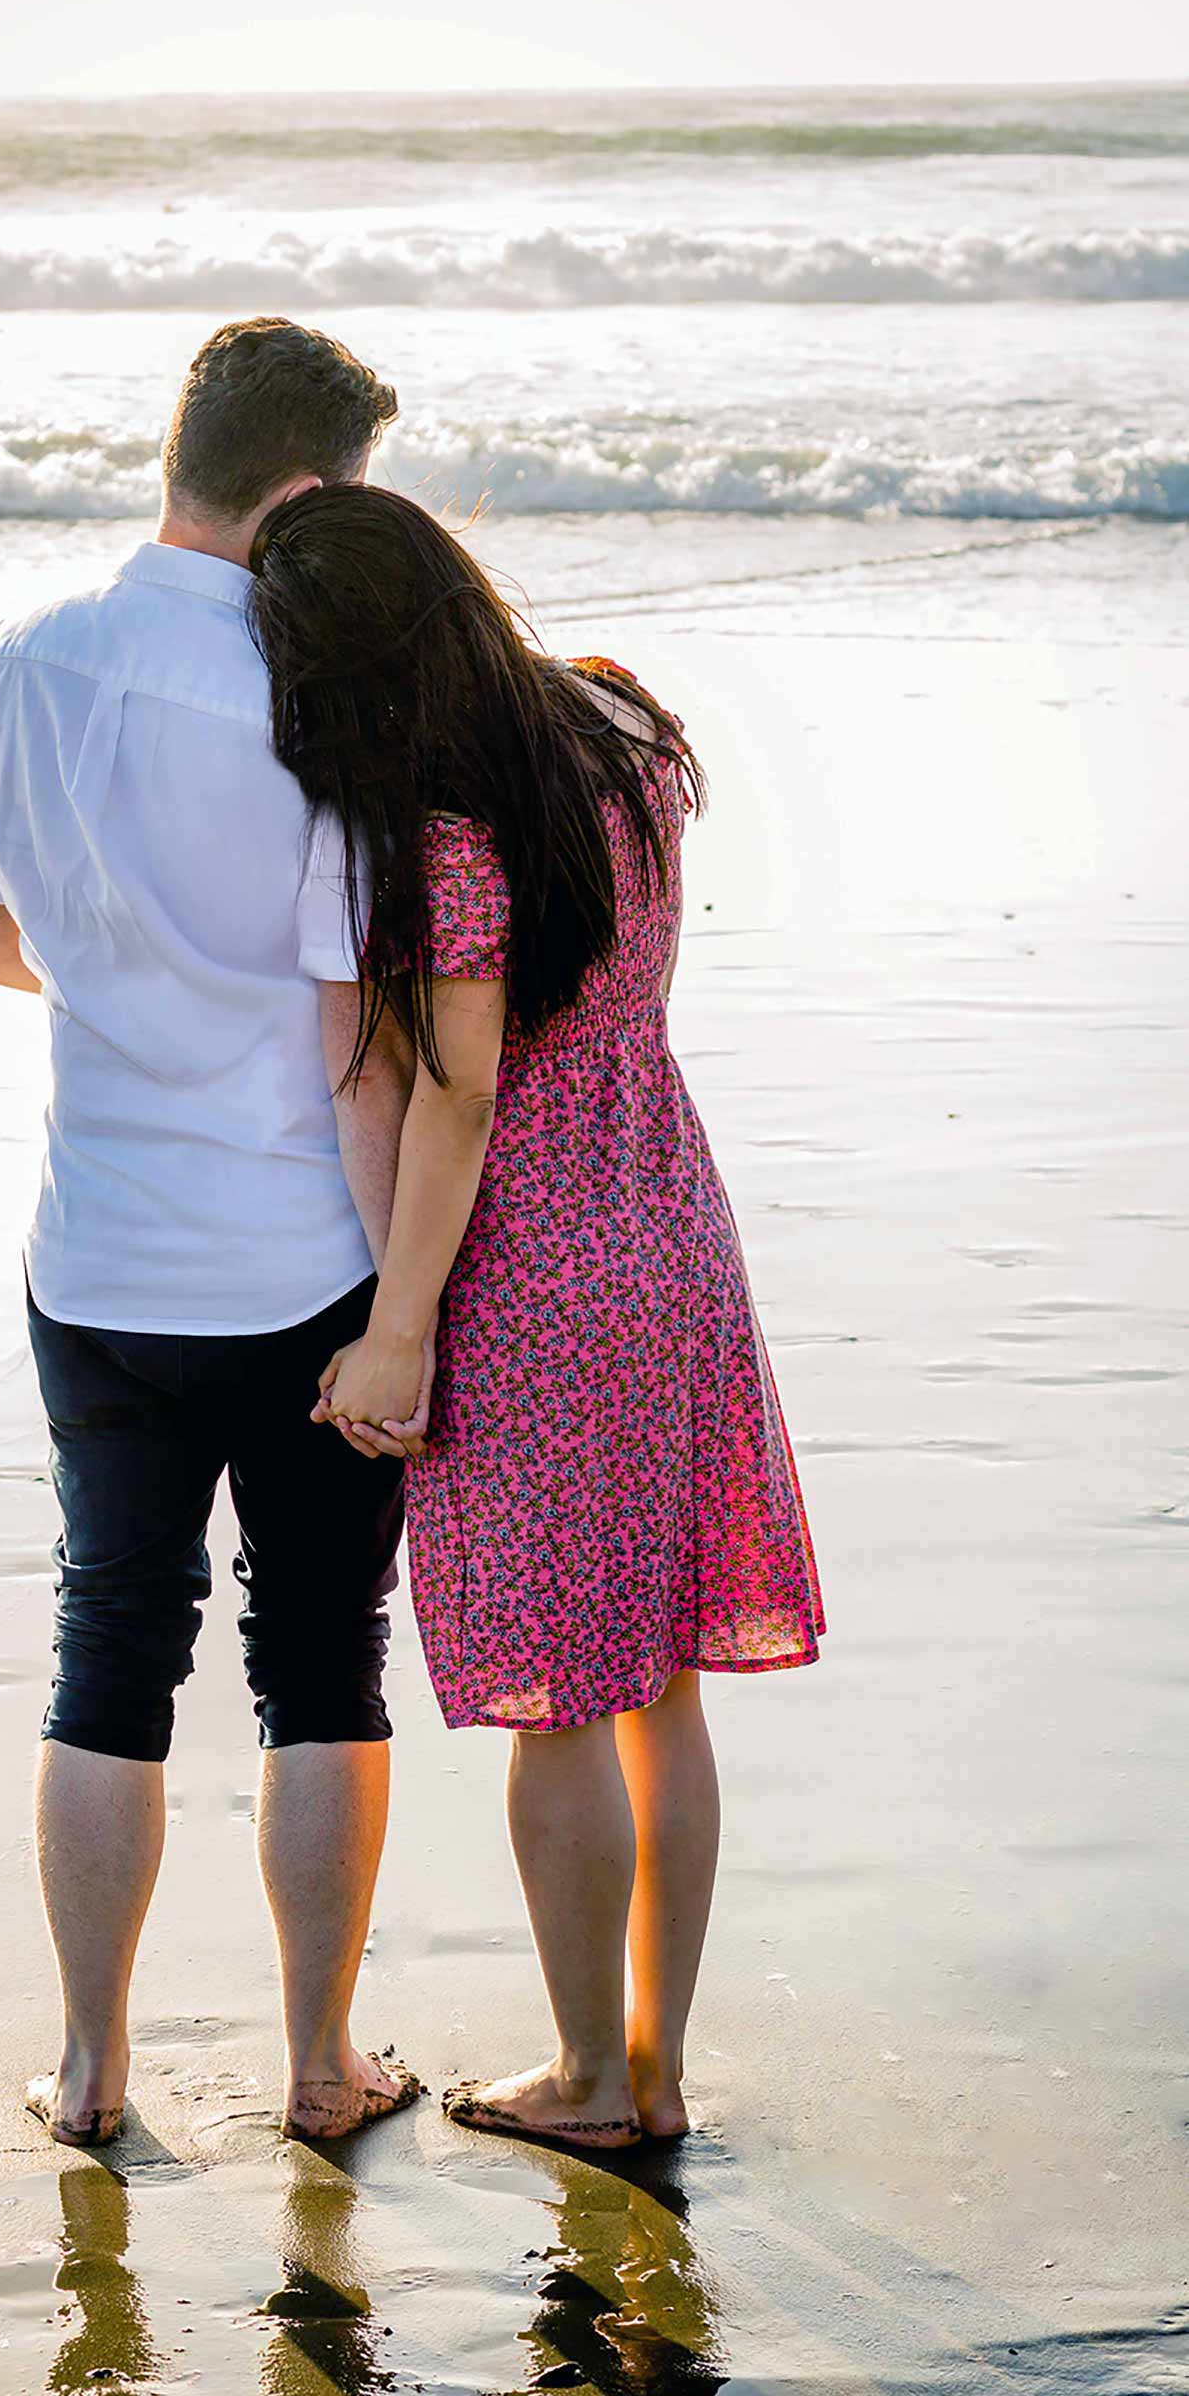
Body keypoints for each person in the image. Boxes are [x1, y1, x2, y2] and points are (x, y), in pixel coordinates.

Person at [249, 484, 825, 2150]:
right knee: (661, 1688)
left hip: (539, 1276)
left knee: (564, 1693)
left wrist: (399, 1326)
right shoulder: (621, 719)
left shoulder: (450, 825)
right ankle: (652, 2061)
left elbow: (463, 1089)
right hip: (670, 1224)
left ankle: (586, 2082)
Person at [0, 322, 427, 2148]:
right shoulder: (318, 692)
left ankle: (90, 2072)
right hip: (305, 1257)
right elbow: (355, 1027)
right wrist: (412, 1315)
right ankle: (316, 2068)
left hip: (98, 1254)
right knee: (319, 1654)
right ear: (306, 489)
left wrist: (127, 986)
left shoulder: (17, 652)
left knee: (109, 1643)